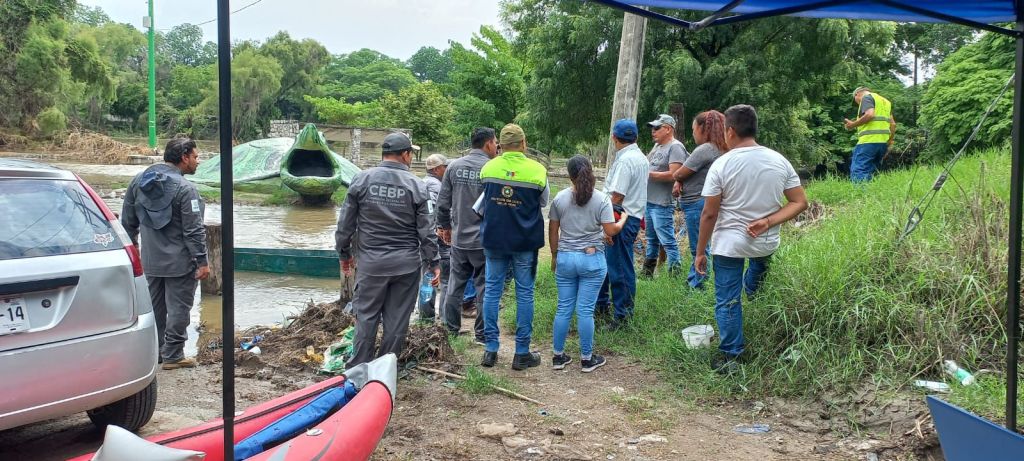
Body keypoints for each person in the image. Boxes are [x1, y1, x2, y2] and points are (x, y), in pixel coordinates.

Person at [694, 105, 808, 374]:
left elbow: (709, 213)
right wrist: (768, 221)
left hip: (730, 245)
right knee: (755, 278)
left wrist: (700, 251)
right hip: (765, 242)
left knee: (728, 300)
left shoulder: (723, 163)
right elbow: (799, 202)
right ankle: (756, 308)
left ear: (730, 131)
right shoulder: (779, 160)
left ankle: (733, 357)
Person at [336, 132, 440, 368]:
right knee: (397, 321)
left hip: (372, 265)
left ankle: (359, 369)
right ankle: (383, 371)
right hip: (406, 265)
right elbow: (426, 231)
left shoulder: (361, 180)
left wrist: (344, 254)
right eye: (411, 153)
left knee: (366, 317)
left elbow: (345, 225)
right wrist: (434, 263)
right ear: (405, 154)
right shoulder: (417, 185)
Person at [121, 137, 210, 370]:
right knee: (179, 308)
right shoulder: (186, 189)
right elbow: (193, 229)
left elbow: (128, 222)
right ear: (184, 157)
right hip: (180, 263)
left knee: (154, 308)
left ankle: (155, 352)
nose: (197, 161)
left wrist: (134, 251)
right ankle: (173, 354)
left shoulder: (138, 182)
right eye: (196, 156)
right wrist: (202, 261)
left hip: (149, 261)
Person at [478, 123, 549, 370]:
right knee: (525, 293)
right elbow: (543, 201)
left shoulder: (488, 168)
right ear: (524, 143)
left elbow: (484, 200)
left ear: (500, 146)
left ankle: (490, 350)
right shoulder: (537, 170)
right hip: (524, 241)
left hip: (494, 239)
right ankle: (521, 353)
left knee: (492, 291)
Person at [549, 155, 630, 373]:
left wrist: (555, 256)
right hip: (591, 259)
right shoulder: (601, 199)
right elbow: (610, 231)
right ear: (591, 171)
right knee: (585, 310)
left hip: (566, 258)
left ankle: (558, 357)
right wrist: (623, 219)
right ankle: (586, 358)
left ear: (569, 175)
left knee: (564, 308)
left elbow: (553, 230)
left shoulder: (560, 198)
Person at [437, 128, 498, 344]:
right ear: (488, 143)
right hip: (484, 240)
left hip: (459, 239)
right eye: (495, 143)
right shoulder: (492, 168)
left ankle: (451, 330)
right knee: (484, 287)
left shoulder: (453, 166)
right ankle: (481, 334)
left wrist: (444, 227)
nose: (497, 147)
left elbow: (443, 203)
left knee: (455, 285)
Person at [596, 119, 647, 330]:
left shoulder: (626, 161)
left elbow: (616, 197)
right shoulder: (640, 157)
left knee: (619, 268)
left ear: (614, 138)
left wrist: (606, 224)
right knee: (614, 265)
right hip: (631, 216)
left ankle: (623, 317)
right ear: (635, 137)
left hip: (621, 217)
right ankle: (605, 307)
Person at [672, 110, 726, 289]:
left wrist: (678, 179)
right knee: (706, 246)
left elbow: (679, 172)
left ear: (704, 128)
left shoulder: (705, 149)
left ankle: (697, 285)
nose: (693, 133)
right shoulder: (722, 148)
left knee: (699, 249)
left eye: (694, 129)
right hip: (707, 202)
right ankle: (696, 281)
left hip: (697, 203)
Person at [642, 114, 686, 277]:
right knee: (651, 239)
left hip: (662, 202)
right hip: (650, 200)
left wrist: (649, 174)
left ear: (668, 129)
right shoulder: (657, 147)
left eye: (656, 128)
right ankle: (647, 273)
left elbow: (675, 174)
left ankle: (675, 274)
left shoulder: (676, 147)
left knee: (667, 241)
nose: (653, 132)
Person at [419, 153, 450, 323]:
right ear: (437, 169)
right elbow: (440, 213)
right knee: (445, 280)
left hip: (423, 240)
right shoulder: (439, 188)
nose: (448, 170)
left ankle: (426, 319)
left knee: (427, 278)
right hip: (439, 239)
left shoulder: (420, 184)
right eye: (446, 167)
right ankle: (446, 320)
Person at [844, 87, 896, 182]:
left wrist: (852, 125)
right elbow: (893, 124)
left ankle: (860, 195)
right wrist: (889, 141)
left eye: (855, 101)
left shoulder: (867, 98)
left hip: (868, 142)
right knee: (871, 171)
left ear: (857, 94)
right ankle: (870, 195)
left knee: (858, 170)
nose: (858, 103)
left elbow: (869, 114)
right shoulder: (885, 102)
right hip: (882, 144)